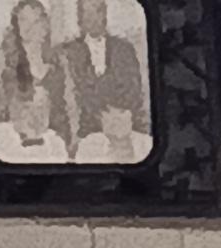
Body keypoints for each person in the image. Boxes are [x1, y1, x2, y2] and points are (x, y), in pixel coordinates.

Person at [58, 0, 153, 163]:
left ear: (104, 15)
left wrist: (117, 120)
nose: (91, 18)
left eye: (96, 12)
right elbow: (71, 96)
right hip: (85, 131)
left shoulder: (124, 49)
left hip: (124, 127)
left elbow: (134, 91)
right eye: (86, 13)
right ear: (79, 18)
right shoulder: (68, 52)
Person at [0, 0, 68, 159]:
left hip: (52, 141)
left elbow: (67, 107)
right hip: (15, 142)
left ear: (45, 25)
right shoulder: (4, 60)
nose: (29, 27)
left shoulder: (59, 61)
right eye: (23, 20)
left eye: (35, 21)